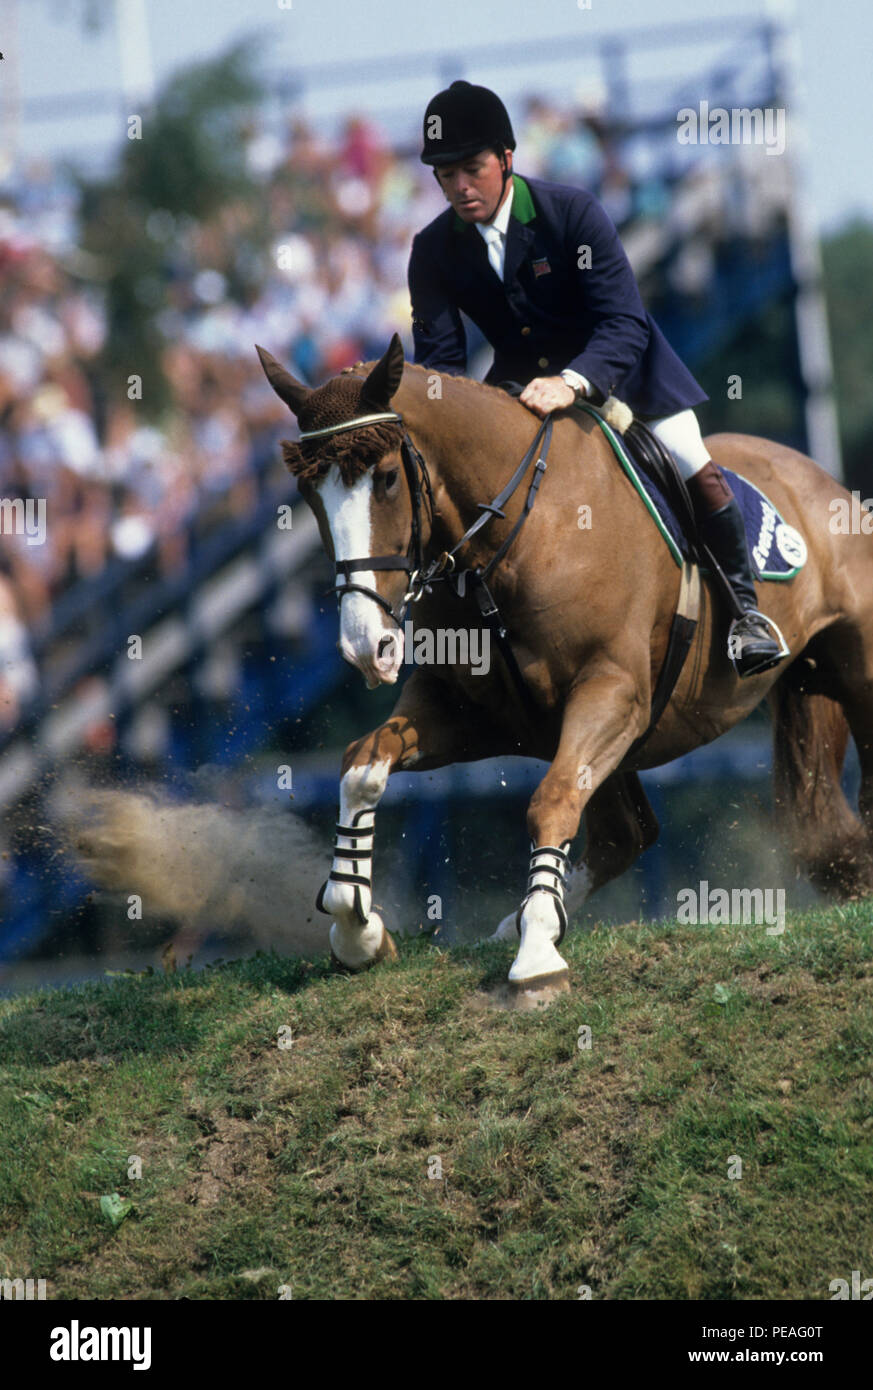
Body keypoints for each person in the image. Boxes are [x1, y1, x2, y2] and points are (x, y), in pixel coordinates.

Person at [407, 80, 785, 677]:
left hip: (625, 375)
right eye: (444, 173)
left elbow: (624, 321)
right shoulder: (432, 250)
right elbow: (441, 367)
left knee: (691, 462)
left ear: (506, 158)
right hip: (518, 394)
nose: (458, 186)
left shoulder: (570, 213)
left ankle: (746, 615)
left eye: (471, 168)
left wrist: (575, 382)